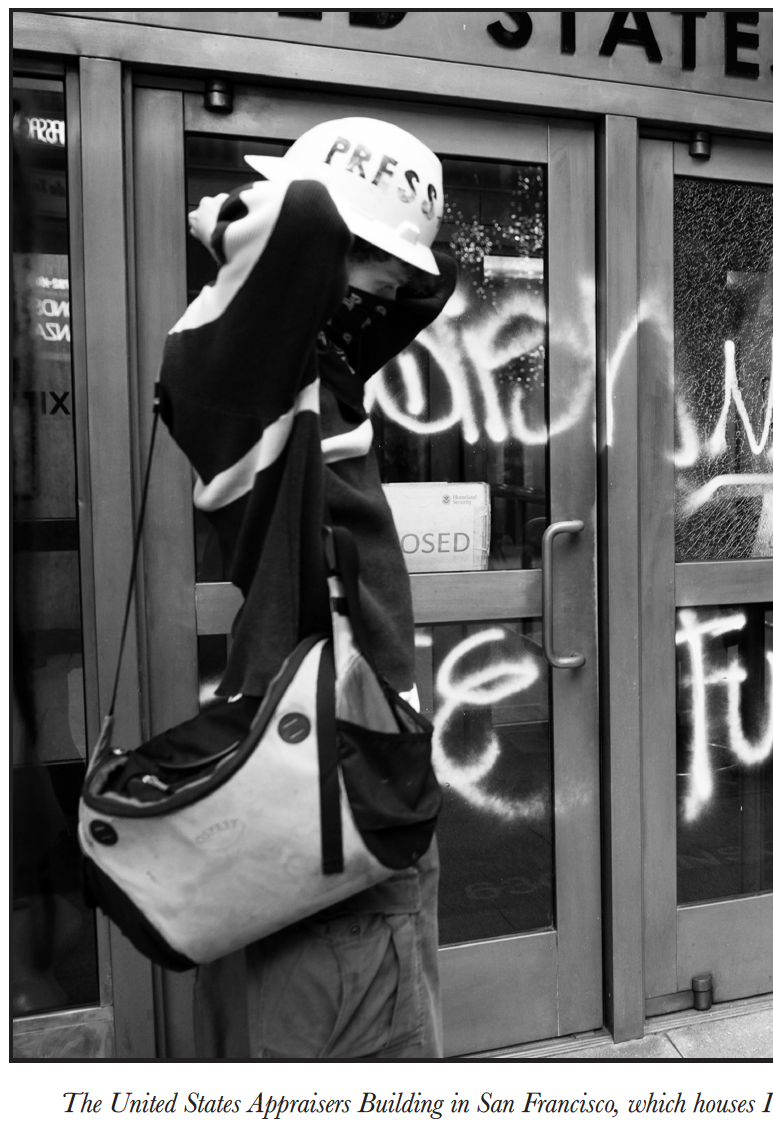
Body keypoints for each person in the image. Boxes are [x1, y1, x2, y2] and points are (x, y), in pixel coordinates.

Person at [158, 118, 457, 1057]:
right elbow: (302, 226)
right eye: (376, 263)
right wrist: (276, 210)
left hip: (367, 768)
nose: (395, 290)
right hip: (331, 782)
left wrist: (387, 238)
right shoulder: (242, 382)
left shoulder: (317, 371)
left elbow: (431, 286)